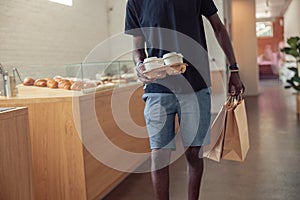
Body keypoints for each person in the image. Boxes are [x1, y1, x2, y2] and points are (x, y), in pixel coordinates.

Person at [125, 0, 245, 199]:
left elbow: (219, 28)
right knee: (159, 154)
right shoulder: (135, 2)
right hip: (158, 88)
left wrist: (234, 68)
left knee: (193, 152)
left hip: (195, 85)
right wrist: (139, 65)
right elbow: (137, 47)